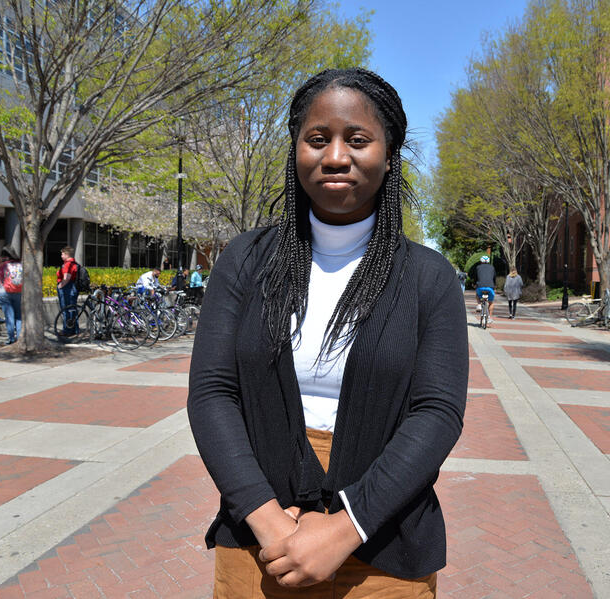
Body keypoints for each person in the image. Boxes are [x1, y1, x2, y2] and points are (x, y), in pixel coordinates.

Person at [188, 68, 468, 598]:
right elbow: (212, 394)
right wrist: (268, 521)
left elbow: (436, 413)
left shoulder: (428, 278)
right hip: (260, 539)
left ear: (389, 154)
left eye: (357, 140)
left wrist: (346, 528)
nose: (335, 156)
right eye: (317, 139)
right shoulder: (244, 262)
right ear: (296, 150)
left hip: (383, 542)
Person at [0, 246, 22, 344]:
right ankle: (19, 337)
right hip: (18, 291)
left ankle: (11, 339)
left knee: (9, 316)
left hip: (3, 292)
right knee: (18, 316)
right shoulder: (19, 264)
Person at [57, 246, 79, 334]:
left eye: (62, 254)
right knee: (72, 309)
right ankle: (74, 329)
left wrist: (60, 286)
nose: (61, 256)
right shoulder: (74, 263)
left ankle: (67, 330)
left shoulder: (67, 264)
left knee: (65, 309)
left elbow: (66, 278)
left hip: (67, 288)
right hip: (73, 287)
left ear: (66, 254)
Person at [473, 255, 496, 322]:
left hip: (480, 286)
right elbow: (494, 277)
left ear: (481, 261)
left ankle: (479, 304)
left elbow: (475, 277)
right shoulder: (492, 267)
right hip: (490, 287)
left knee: (477, 295)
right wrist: (494, 285)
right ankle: (489, 317)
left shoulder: (478, 267)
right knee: (491, 303)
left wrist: (474, 284)